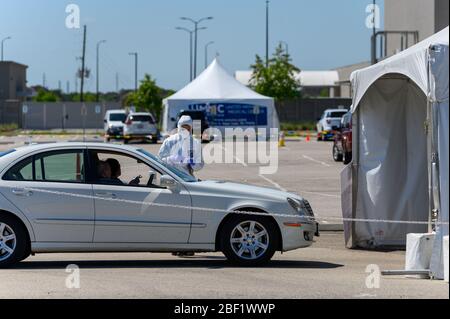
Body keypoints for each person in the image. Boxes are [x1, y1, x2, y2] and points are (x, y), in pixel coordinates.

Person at [158, 115, 203, 258]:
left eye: (188, 127)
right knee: (173, 215)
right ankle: (175, 244)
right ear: (179, 127)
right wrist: (172, 160)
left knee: (188, 216)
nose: (186, 130)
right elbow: (158, 161)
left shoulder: (195, 143)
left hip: (188, 182)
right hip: (171, 183)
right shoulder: (169, 141)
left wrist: (192, 163)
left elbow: (200, 164)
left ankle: (187, 245)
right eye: (183, 127)